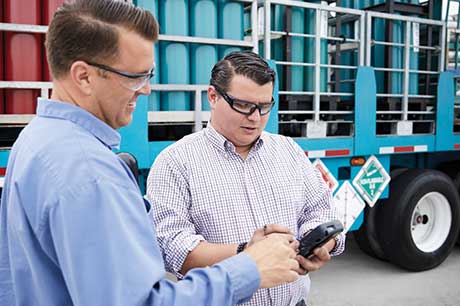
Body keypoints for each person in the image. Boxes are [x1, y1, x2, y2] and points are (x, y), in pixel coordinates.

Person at [0, 1, 302, 306]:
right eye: (134, 76)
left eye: (149, 75)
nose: (145, 90)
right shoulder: (91, 174)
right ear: (83, 77)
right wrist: (249, 268)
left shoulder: (34, 140)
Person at [146, 51, 346, 306]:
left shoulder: (288, 151)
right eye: (243, 105)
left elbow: (320, 211)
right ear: (213, 96)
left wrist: (319, 245)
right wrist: (246, 254)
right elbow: (173, 248)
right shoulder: (175, 162)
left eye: (264, 107)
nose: (255, 117)